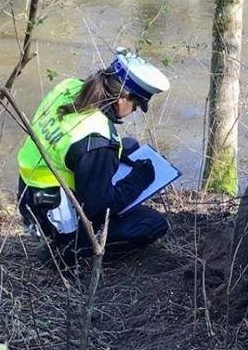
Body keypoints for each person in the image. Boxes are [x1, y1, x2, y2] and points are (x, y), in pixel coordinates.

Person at [17, 49, 170, 266]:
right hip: (55, 220)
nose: (135, 110)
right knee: (152, 223)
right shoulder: (97, 141)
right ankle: (68, 251)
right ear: (123, 97)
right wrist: (139, 179)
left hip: (29, 196)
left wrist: (114, 153)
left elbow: (71, 139)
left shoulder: (69, 87)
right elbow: (99, 210)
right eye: (137, 104)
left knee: (130, 146)